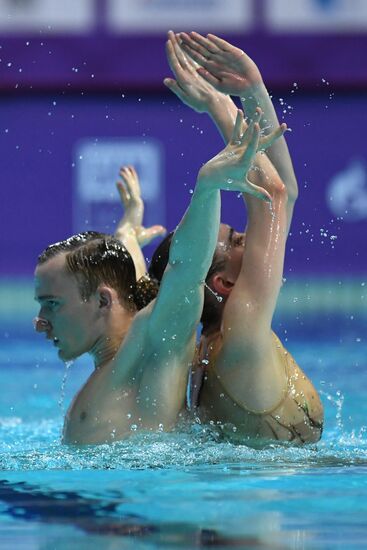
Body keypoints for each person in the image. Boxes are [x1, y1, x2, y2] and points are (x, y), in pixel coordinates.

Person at [34, 108, 282, 445]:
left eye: (52, 304)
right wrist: (128, 231)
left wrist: (207, 189)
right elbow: (132, 282)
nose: (40, 321)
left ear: (102, 300)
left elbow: (186, 270)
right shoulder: (128, 343)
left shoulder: (154, 345)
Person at [149, 31, 324, 447]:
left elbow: (280, 194)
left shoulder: (208, 348)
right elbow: (274, 198)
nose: (251, 237)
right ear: (223, 284)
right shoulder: (242, 333)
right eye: (238, 239)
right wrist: (219, 102)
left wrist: (252, 95)